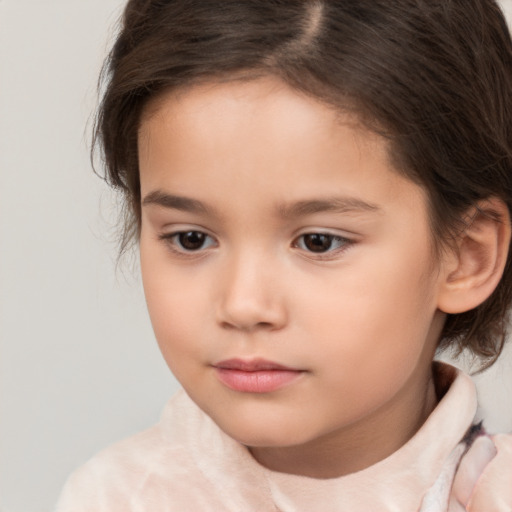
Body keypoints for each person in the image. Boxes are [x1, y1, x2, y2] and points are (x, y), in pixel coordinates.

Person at [55, 0, 512, 510]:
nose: (244, 305)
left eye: (318, 241)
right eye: (191, 238)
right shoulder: (115, 499)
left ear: (467, 256)